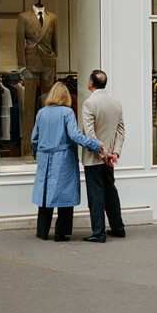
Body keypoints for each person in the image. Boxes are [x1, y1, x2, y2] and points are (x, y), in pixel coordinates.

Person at [31, 82, 103, 241]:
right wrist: (95, 145)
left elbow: (34, 138)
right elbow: (75, 135)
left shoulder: (41, 113)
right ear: (66, 96)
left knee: (44, 193)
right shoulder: (67, 112)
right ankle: (61, 233)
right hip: (63, 157)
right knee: (65, 193)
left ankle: (42, 231)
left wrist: (37, 155)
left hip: (45, 157)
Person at [82, 70, 126, 243]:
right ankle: (118, 227)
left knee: (96, 195)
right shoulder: (116, 102)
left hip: (95, 158)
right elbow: (121, 130)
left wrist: (103, 154)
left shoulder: (89, 103)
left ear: (92, 83)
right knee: (110, 192)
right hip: (109, 158)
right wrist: (114, 153)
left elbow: (89, 133)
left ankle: (98, 232)